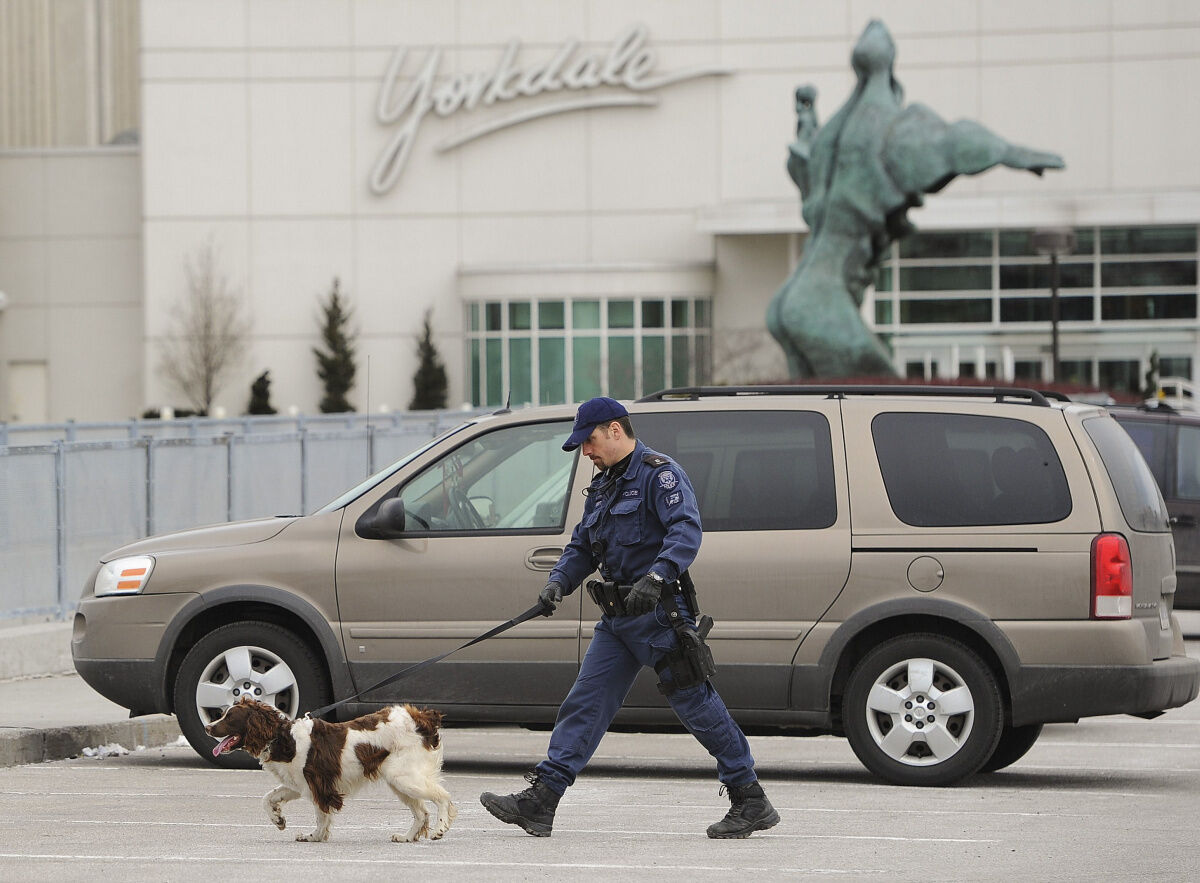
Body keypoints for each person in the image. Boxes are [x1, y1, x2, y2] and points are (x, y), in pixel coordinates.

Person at [479, 396, 779, 839]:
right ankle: (542, 800)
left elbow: (685, 529)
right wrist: (558, 582)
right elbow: (583, 543)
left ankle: (749, 797)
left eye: (591, 440)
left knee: (697, 705)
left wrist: (658, 577)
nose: (586, 451)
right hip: (617, 619)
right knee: (585, 702)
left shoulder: (660, 473)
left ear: (616, 430)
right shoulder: (604, 484)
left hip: (659, 614)